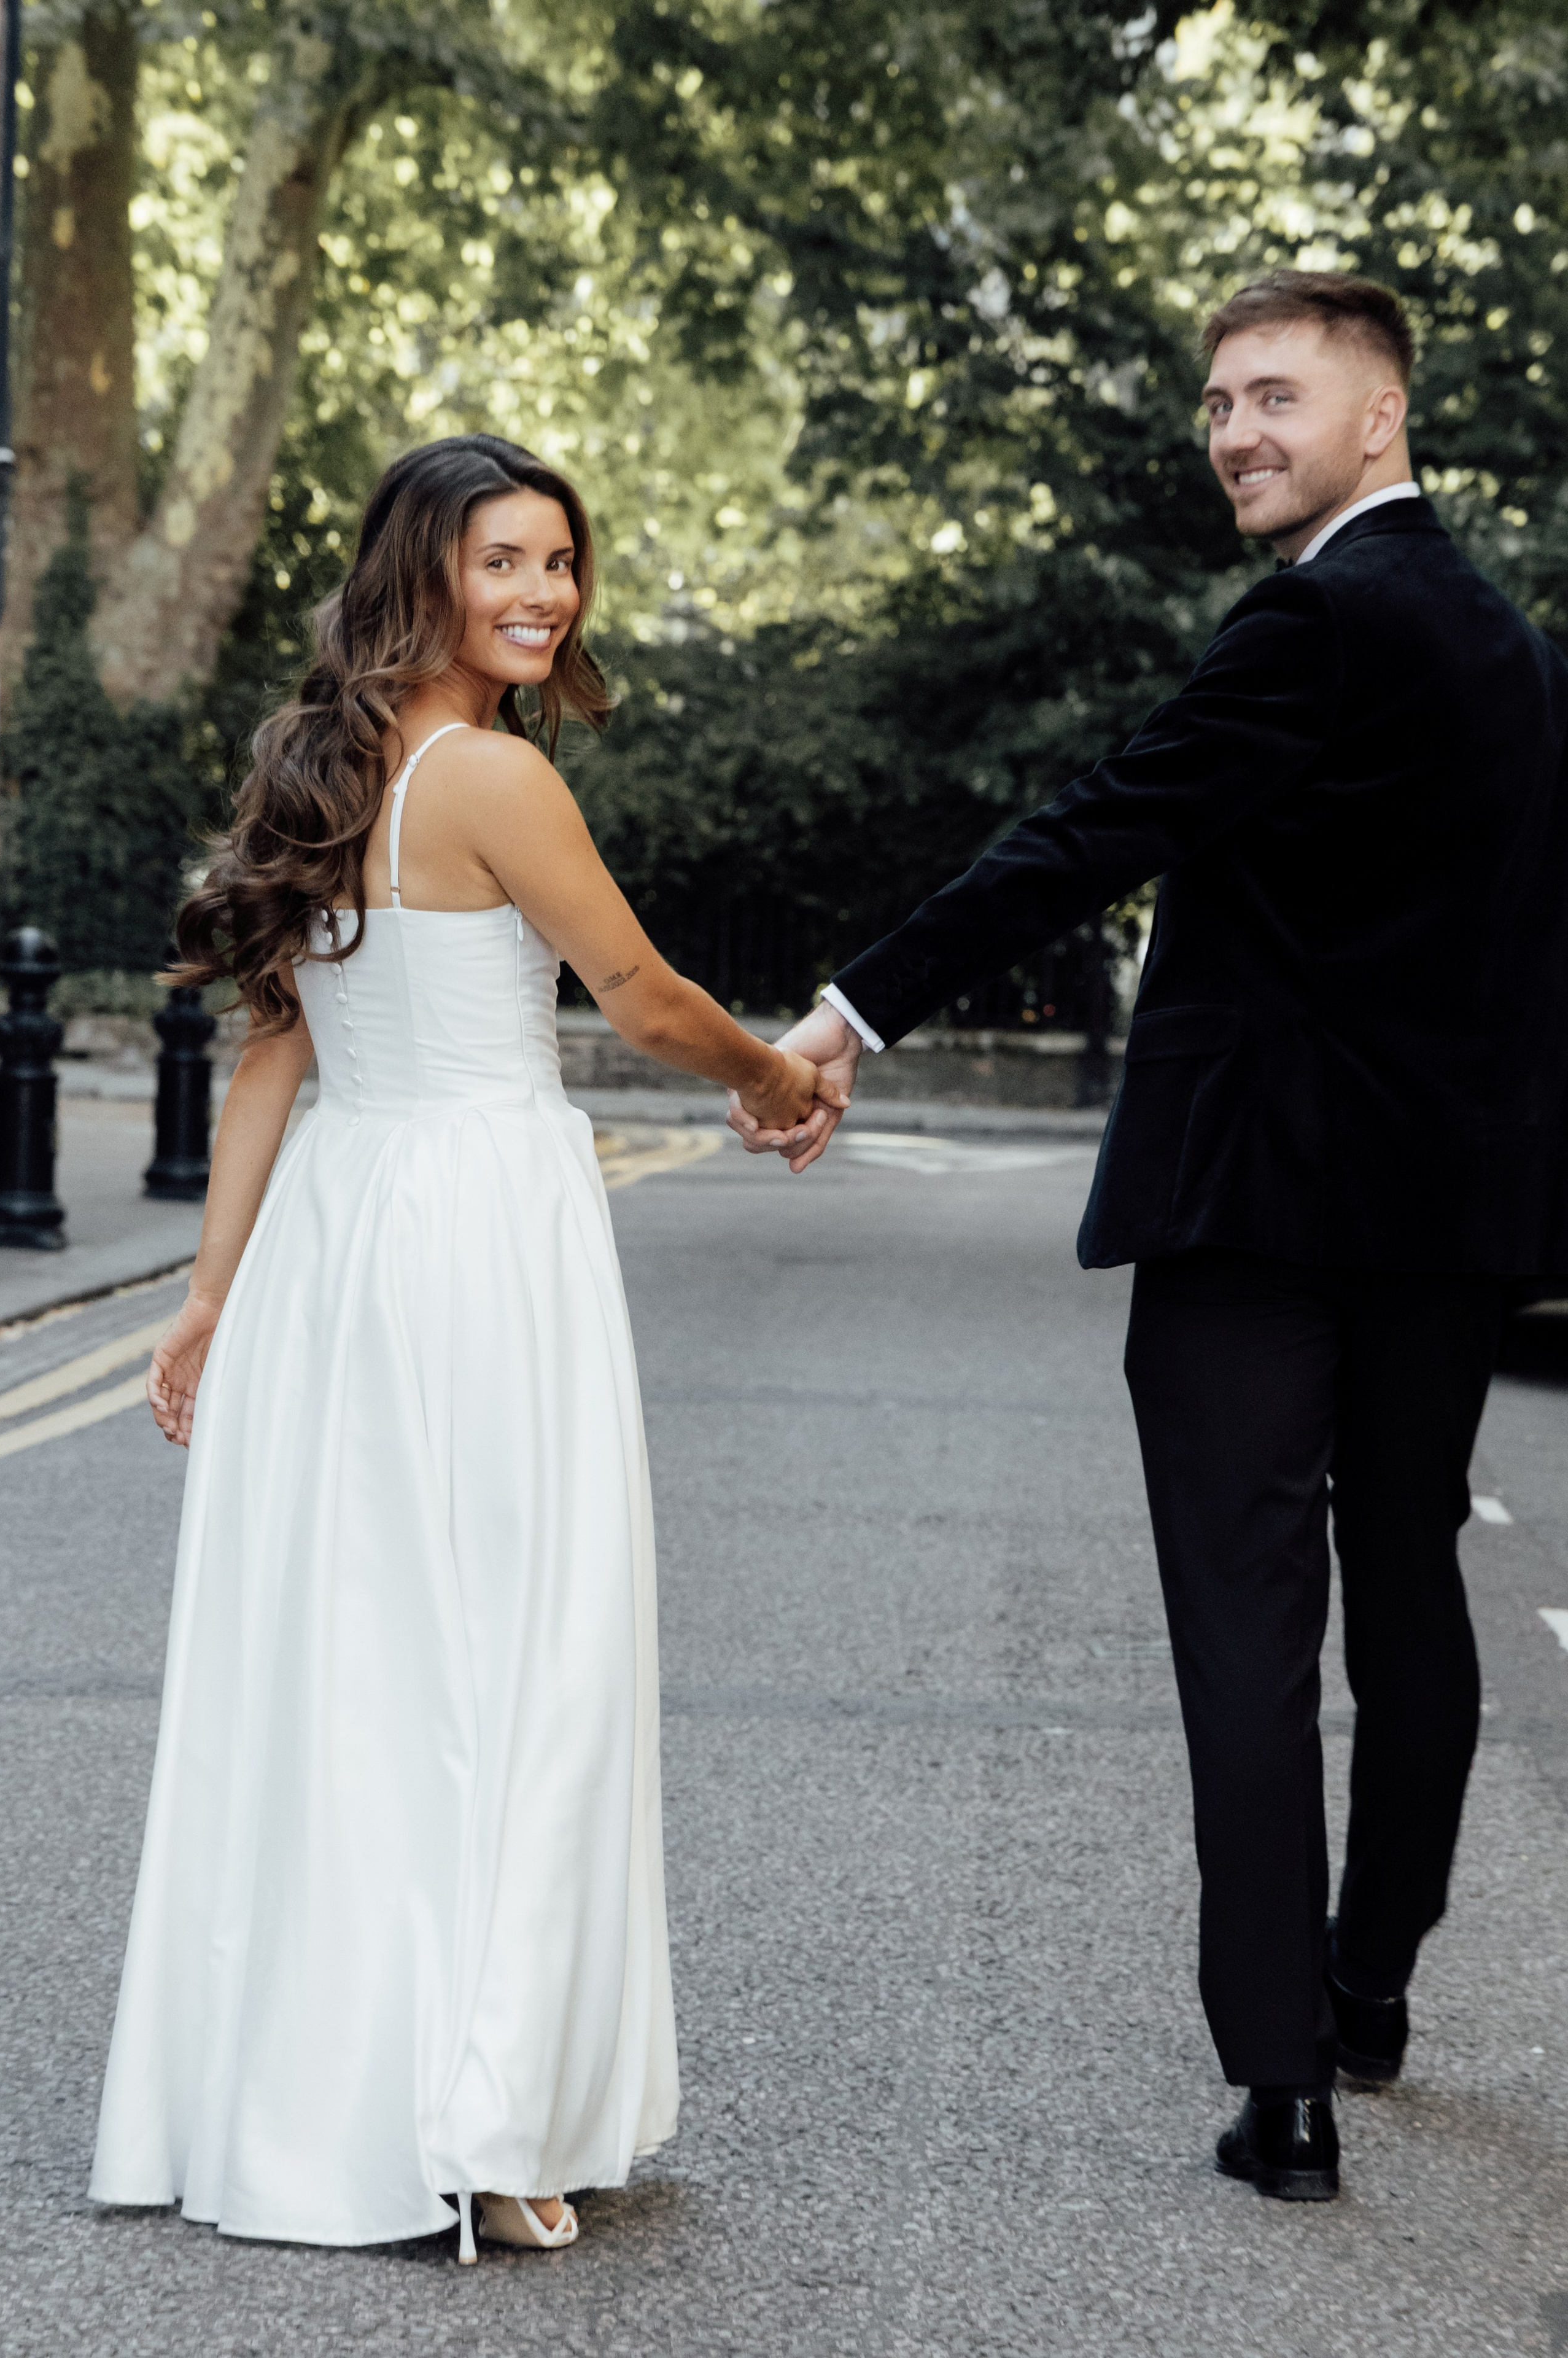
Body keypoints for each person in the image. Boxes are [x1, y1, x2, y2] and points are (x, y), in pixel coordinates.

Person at [734, 271, 1568, 2200]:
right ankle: (1370, 1994)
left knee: (1252, 1631)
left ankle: (1285, 2090)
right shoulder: (1521, 657)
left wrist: (849, 1017)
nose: (1234, 433)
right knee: (1415, 1589)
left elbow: (1098, 827)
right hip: (1446, 1222)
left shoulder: (1316, 624)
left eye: (1275, 395)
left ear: (1382, 416)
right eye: (1215, 403)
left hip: (1256, 1206)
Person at [90, 435, 836, 2257]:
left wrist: (213, 1292)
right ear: (421, 572)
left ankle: (331, 2096)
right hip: (484, 1235)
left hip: (348, 1236)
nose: (542, 595)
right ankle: (486, 2118)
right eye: (503, 562)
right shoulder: (494, 778)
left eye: (562, 563)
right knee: (527, 1658)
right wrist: (776, 1080)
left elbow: (281, 1048)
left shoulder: (315, 764)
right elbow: (645, 994)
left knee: (356, 1670)